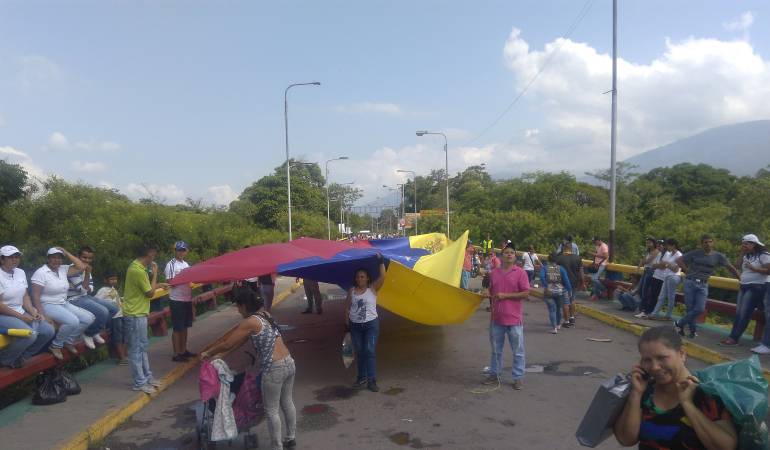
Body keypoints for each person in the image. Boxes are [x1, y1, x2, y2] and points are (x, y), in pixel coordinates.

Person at [201, 286, 297, 450]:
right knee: (287, 402)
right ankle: (290, 438)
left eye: (238, 307)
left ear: (244, 305)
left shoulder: (250, 322)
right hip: (289, 363)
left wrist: (208, 352)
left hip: (274, 368)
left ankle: (277, 447)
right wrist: (220, 355)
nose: (238, 311)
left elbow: (228, 343)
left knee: (271, 410)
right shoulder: (265, 315)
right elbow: (240, 342)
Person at [614, 326, 737, 449]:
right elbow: (626, 440)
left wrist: (688, 404)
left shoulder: (707, 395)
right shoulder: (644, 391)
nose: (654, 367)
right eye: (647, 360)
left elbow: (726, 447)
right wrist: (636, 394)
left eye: (661, 358)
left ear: (682, 354)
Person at [30, 247, 95, 360]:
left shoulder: (63, 269)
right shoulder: (41, 273)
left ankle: (68, 341)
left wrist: (66, 252)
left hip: (62, 303)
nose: (57, 260)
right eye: (54, 257)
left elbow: (81, 266)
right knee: (73, 321)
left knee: (88, 318)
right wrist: (43, 314)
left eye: (59, 258)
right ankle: (56, 345)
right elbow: (35, 296)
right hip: (47, 304)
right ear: (48, 258)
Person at [482, 243, 530, 390]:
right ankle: (494, 374)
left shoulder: (520, 273)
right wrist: (485, 292)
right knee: (496, 350)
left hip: (514, 319)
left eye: (512, 252)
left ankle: (518, 377)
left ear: (515, 256)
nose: (509, 254)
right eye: (506, 252)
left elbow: (526, 293)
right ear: (501, 256)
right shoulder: (494, 273)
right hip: (496, 318)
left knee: (518, 351)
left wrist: (506, 296)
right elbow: (489, 291)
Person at [0, 245, 55, 369]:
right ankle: (4, 360)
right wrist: (21, 317)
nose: (15, 259)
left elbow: (25, 296)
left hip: (19, 311)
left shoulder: (20, 272)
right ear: (2, 259)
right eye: (10, 257)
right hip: (3, 315)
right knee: (30, 334)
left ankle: (23, 357)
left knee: (48, 331)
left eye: (17, 256)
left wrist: (32, 311)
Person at [675, 234, 739, 339]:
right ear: (702, 244)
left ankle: (679, 323)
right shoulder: (695, 253)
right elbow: (678, 260)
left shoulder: (718, 256)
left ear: (713, 243)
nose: (708, 244)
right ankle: (692, 331)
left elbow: (730, 267)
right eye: (705, 242)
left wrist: (740, 278)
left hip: (703, 284)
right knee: (690, 308)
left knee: (700, 308)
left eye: (710, 242)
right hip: (690, 282)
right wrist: (686, 270)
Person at [123, 244, 167, 394]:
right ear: (149, 254)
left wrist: (158, 284)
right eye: (153, 255)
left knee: (142, 348)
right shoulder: (136, 270)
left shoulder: (139, 268)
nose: (154, 258)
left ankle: (147, 377)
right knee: (136, 350)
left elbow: (146, 287)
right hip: (134, 314)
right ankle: (139, 382)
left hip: (140, 313)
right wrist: (155, 274)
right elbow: (149, 293)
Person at [343, 255, 386, 392]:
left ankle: (372, 381)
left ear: (367, 278)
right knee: (360, 352)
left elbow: (383, 276)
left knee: (369, 351)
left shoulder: (372, 289)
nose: (359, 279)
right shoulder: (352, 291)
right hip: (355, 326)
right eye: (358, 277)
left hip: (371, 325)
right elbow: (347, 308)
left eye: (362, 276)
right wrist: (346, 326)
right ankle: (361, 378)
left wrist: (380, 261)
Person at [721, 234, 770, 350]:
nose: (744, 246)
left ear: (754, 244)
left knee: (744, 313)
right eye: (743, 244)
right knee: (738, 312)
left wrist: (754, 269)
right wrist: (742, 253)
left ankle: (734, 338)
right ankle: (733, 336)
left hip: (756, 286)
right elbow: (737, 266)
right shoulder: (747, 255)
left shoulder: (763, 255)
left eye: (746, 244)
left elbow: (768, 271)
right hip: (744, 286)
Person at [66, 246, 119, 350]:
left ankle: (94, 330)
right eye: (84, 257)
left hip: (85, 296)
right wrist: (87, 274)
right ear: (77, 257)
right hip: (73, 299)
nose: (87, 260)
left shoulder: (87, 269)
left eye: (89, 258)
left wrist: (86, 282)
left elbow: (90, 289)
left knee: (114, 309)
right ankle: (88, 333)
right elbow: (83, 289)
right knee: (103, 311)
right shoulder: (72, 269)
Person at [164, 241, 197, 362]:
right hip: (176, 299)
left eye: (183, 250)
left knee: (185, 326)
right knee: (178, 327)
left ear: (186, 251)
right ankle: (176, 353)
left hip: (186, 298)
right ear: (175, 251)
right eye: (179, 250)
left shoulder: (186, 264)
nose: (181, 252)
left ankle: (183, 350)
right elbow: (170, 282)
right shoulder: (171, 264)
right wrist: (183, 277)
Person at [95, 271, 128, 365]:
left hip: (120, 314)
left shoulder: (113, 289)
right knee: (118, 336)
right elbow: (96, 301)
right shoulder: (103, 290)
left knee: (124, 334)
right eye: (111, 279)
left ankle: (123, 355)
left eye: (115, 279)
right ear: (105, 280)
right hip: (114, 317)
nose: (114, 281)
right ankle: (121, 358)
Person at [648, 239, 683, 320]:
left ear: (673, 246)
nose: (667, 247)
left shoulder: (679, 255)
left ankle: (668, 315)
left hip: (673, 276)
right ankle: (654, 314)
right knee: (661, 296)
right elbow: (663, 264)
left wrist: (667, 264)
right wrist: (665, 264)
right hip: (667, 276)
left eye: (668, 246)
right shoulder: (670, 254)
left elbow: (675, 269)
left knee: (670, 296)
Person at [539, 253, 572, 334]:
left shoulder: (545, 268)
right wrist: (569, 290)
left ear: (548, 260)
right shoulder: (561, 268)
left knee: (552, 310)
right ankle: (558, 324)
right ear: (557, 260)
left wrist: (546, 286)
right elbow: (566, 280)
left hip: (549, 292)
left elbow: (542, 277)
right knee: (558, 308)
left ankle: (554, 328)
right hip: (560, 291)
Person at [555, 244, 583, 327]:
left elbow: (555, 272)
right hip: (574, 283)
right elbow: (581, 272)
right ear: (571, 249)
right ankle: (572, 317)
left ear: (563, 249)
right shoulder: (578, 258)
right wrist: (583, 283)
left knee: (565, 303)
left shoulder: (559, 258)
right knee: (572, 300)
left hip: (563, 283)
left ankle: (566, 321)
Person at [637, 237, 660, 309]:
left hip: (651, 271)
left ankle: (643, 307)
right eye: (647, 243)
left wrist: (643, 257)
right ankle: (642, 306)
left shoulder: (656, 251)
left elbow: (646, 261)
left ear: (654, 243)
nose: (648, 244)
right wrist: (638, 268)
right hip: (646, 270)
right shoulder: (648, 251)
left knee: (645, 290)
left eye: (649, 243)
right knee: (640, 289)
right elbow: (642, 262)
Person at [587, 236, 609, 301]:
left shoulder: (604, 246)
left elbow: (606, 256)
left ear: (599, 240)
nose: (594, 243)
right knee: (593, 279)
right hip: (596, 264)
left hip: (601, 264)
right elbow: (596, 254)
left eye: (595, 241)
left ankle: (604, 289)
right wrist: (594, 262)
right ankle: (596, 295)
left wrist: (594, 254)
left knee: (594, 278)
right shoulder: (597, 246)